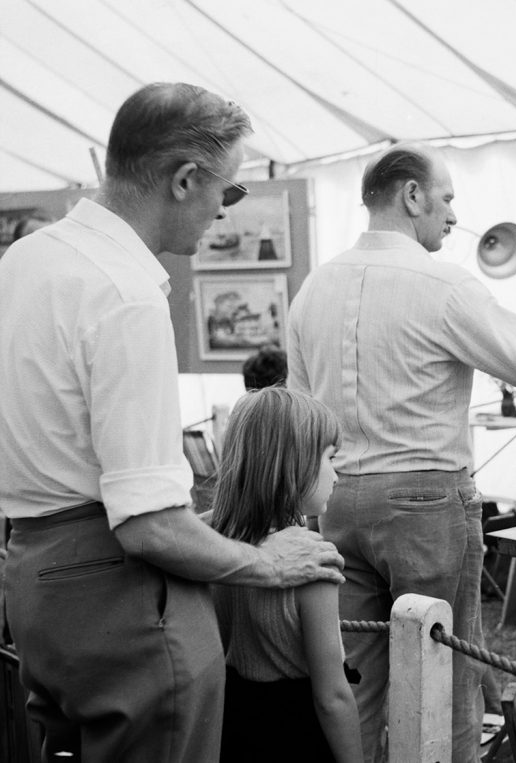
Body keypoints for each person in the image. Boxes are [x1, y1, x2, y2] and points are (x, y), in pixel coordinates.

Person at [0, 82, 346, 762]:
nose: (225, 210)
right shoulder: (125, 292)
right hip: (119, 595)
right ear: (186, 179)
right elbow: (149, 522)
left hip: (35, 578)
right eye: (230, 190)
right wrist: (264, 562)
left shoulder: (24, 262)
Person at [287, 141, 516, 763]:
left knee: (355, 682)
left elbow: (297, 412)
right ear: (411, 195)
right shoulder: (443, 284)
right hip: (424, 504)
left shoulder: (314, 287)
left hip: (336, 502)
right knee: (442, 680)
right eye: (446, 198)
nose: (452, 215)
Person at [211, 388, 361, 762]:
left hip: (234, 726)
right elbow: (332, 697)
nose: (337, 475)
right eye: (330, 459)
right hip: (297, 734)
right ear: (294, 466)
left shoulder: (215, 546)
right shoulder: (310, 560)